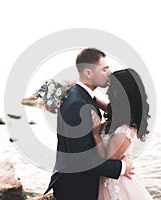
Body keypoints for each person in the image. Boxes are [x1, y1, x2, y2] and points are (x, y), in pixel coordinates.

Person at [44, 48, 134, 200]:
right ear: (88, 73)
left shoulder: (83, 96)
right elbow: (82, 159)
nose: (110, 72)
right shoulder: (77, 104)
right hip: (76, 189)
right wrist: (122, 167)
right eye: (104, 69)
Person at [92, 68, 153, 199]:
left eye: (112, 88)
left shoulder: (125, 130)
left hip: (115, 186)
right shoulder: (118, 113)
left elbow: (107, 161)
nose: (107, 92)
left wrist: (96, 133)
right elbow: (98, 100)